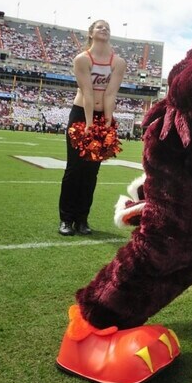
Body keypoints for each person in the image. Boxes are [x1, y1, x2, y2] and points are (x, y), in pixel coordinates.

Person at [58, 20, 126, 236]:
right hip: (80, 115)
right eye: (99, 27)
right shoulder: (82, 59)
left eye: (107, 26)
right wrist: (88, 123)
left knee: (91, 172)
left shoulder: (118, 62)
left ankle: (82, 219)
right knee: (74, 169)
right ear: (91, 33)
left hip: (102, 116)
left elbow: (110, 93)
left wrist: (107, 121)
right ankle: (66, 219)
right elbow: (87, 91)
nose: (104, 29)